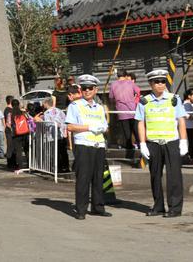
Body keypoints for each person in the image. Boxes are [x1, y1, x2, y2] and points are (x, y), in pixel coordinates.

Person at [136, 69, 188, 218]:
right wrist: (143, 143)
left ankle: (175, 208)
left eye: (163, 81)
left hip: (171, 141)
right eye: (157, 82)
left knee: (174, 176)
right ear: (151, 84)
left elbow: (181, 120)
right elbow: (141, 123)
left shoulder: (174, 99)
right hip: (153, 143)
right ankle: (158, 206)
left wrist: (184, 141)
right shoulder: (144, 101)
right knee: (155, 175)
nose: (160, 84)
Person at [65, 74, 111, 220]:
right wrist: (89, 127)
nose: (87, 91)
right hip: (84, 145)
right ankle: (81, 209)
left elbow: (105, 126)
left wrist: (103, 128)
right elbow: (70, 126)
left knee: (98, 178)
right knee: (83, 178)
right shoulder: (75, 106)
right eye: (84, 88)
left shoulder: (99, 108)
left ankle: (98, 207)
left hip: (98, 145)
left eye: (90, 88)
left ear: (95, 90)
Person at [109, 70, 141, 165]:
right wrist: (134, 99)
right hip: (132, 109)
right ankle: (140, 146)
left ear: (117, 76)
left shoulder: (113, 84)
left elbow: (111, 97)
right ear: (126, 75)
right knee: (135, 129)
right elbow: (138, 91)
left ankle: (129, 150)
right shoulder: (130, 83)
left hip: (121, 110)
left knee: (126, 131)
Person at [41, 96, 70, 172]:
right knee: (63, 152)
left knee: (55, 153)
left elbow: (47, 124)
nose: (43, 105)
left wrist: (40, 120)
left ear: (46, 103)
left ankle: (58, 168)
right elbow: (65, 121)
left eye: (43, 103)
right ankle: (66, 167)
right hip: (61, 134)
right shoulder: (60, 111)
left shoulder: (47, 113)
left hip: (52, 136)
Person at [5, 99, 30, 173]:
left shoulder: (10, 113)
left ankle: (20, 167)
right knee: (26, 149)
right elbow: (29, 120)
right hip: (25, 133)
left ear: (12, 105)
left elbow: (8, 124)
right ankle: (29, 165)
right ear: (18, 104)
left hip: (16, 134)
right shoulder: (23, 112)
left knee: (18, 151)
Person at [3, 95, 15, 169]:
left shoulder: (9, 109)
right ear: (11, 101)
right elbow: (8, 122)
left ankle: (12, 163)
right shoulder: (8, 110)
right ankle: (10, 163)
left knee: (12, 147)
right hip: (10, 131)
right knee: (10, 147)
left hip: (11, 130)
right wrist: (12, 129)